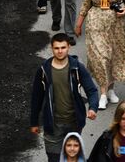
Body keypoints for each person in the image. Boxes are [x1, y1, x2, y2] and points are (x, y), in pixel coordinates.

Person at [30, 33, 98, 162]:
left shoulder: (77, 68)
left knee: (72, 158)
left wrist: (93, 107)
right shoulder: (44, 70)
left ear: (68, 48)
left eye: (63, 47)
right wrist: (34, 122)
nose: (60, 51)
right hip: (52, 123)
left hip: (74, 123)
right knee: (54, 158)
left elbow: (92, 90)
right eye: (56, 48)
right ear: (52, 48)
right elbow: (36, 97)